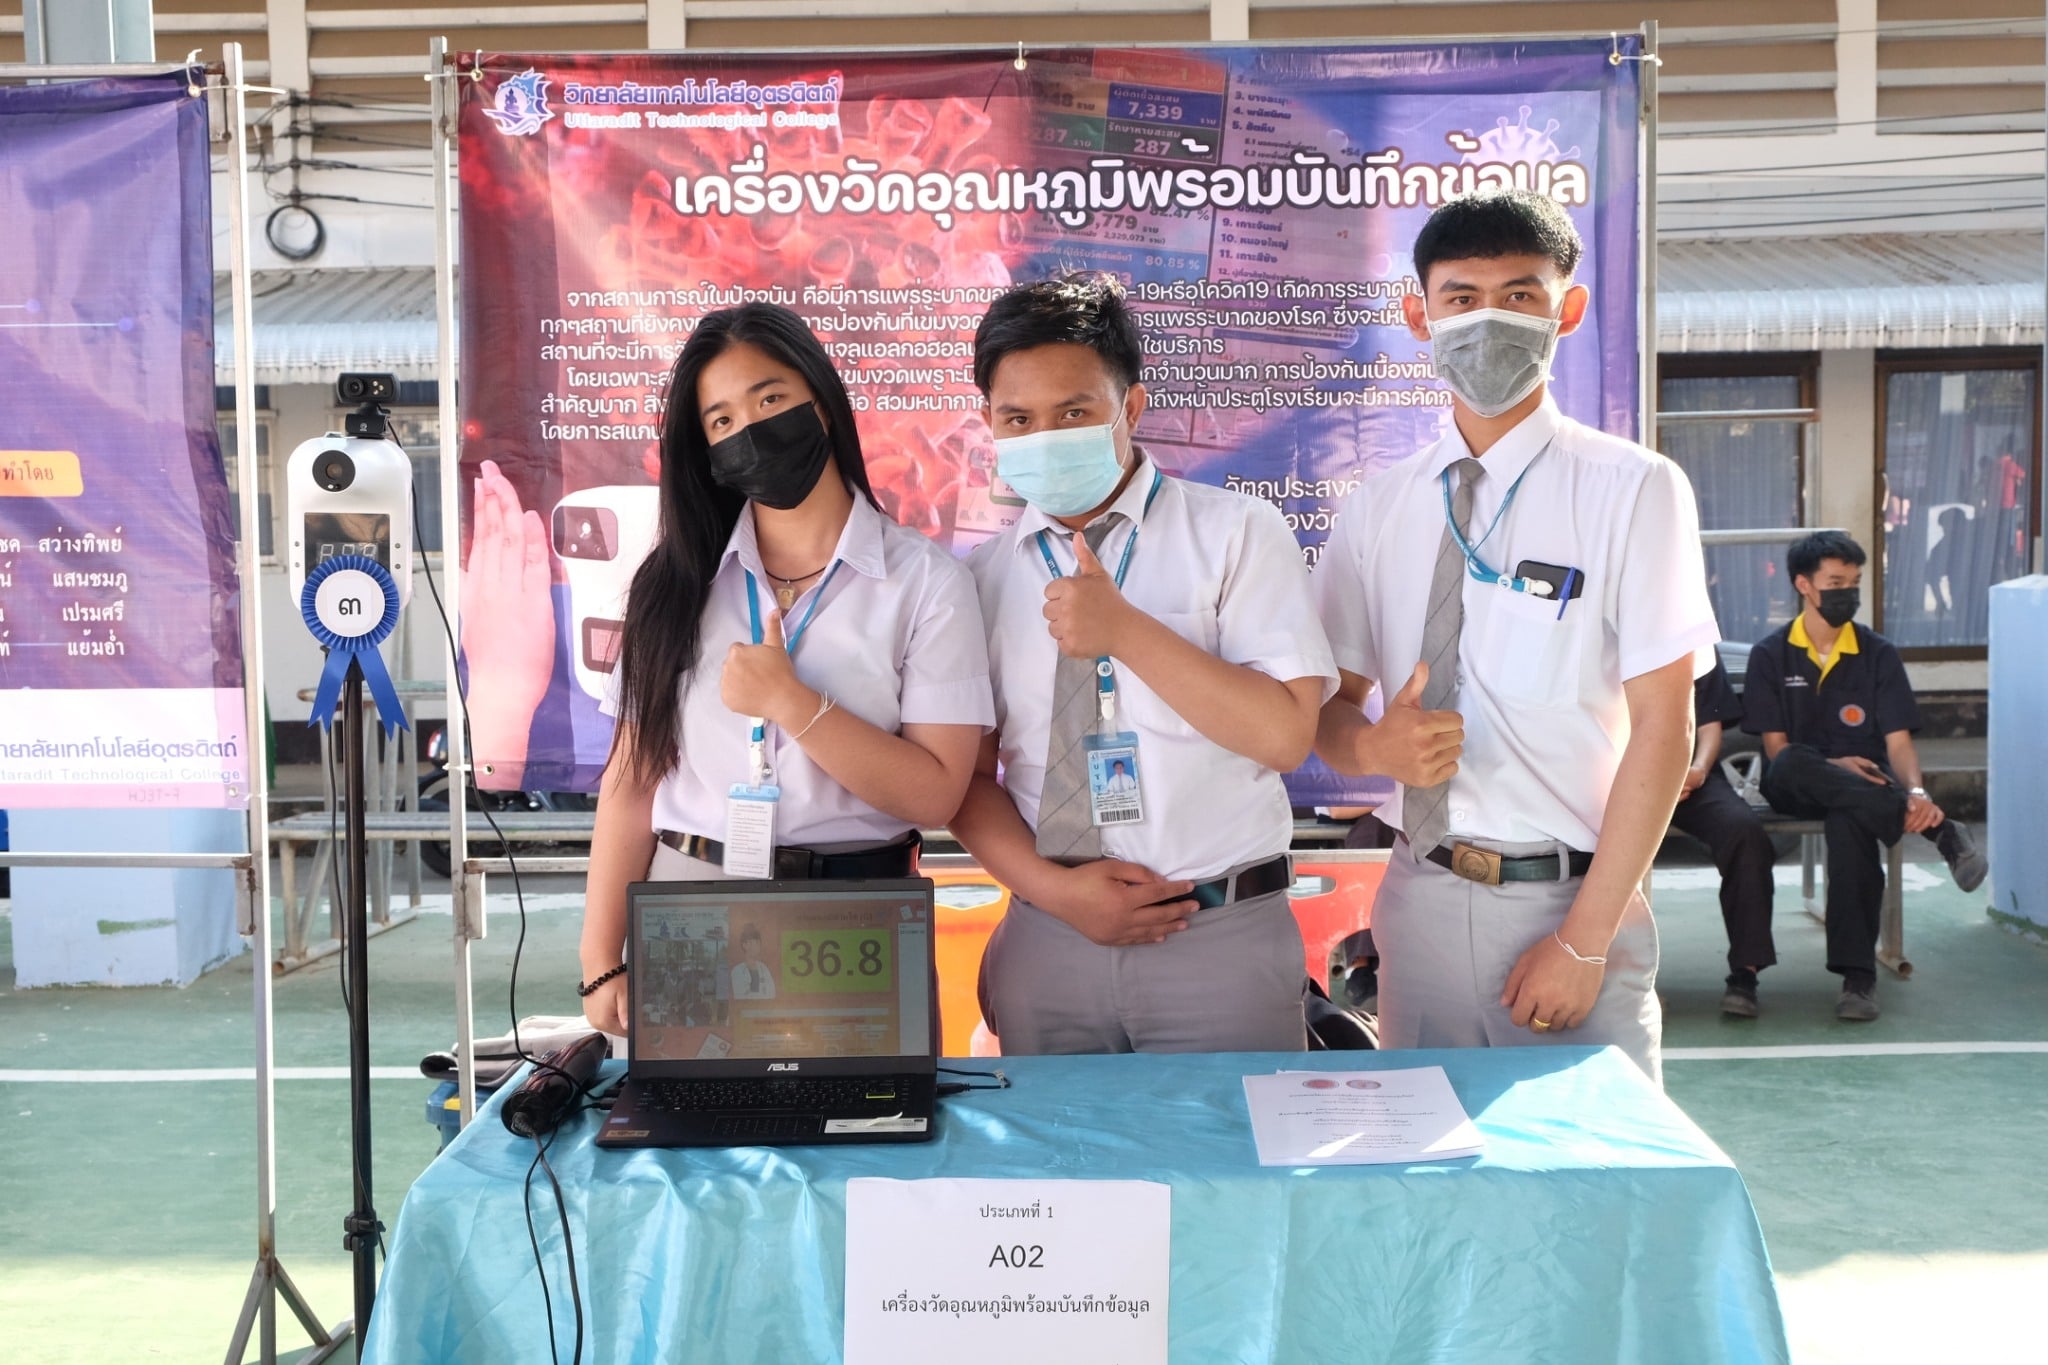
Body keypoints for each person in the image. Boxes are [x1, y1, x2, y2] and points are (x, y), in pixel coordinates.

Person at [1311, 190, 1717, 1083]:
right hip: (1417, 895)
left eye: (1520, 294)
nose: (1489, 318)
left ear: (1566, 310)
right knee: (1430, 1188)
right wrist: (1375, 744)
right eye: (1462, 298)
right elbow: (1325, 712)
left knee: (1589, 1198)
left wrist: (1583, 941)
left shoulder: (1634, 490)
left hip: (1570, 900)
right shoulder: (1377, 507)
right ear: (1419, 315)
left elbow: (1665, 726)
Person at [578, 302, 995, 1034]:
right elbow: (631, 780)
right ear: (706, 452)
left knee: (867, 1136)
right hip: (690, 904)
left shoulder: (926, 582)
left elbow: (935, 792)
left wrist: (793, 703)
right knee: (696, 1135)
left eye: (770, 399)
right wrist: (600, 957)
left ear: (822, 404)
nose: (751, 430)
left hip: (857, 909)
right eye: (721, 421)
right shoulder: (675, 585)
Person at [949, 273, 1338, 1054]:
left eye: (1074, 412)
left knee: (1228, 1175)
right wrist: (1057, 893)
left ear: (1129, 408)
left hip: (1217, 936)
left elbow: (1285, 735)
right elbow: (962, 779)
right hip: (1050, 935)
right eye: (1018, 419)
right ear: (989, 422)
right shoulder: (977, 579)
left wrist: (1125, 631)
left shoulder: (1235, 534)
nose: (1044, 436)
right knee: (1056, 1174)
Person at [1742, 530, 1986, 1022]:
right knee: (1793, 762)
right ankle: (1943, 831)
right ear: (1804, 585)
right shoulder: (1770, 654)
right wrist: (1837, 766)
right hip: (1797, 780)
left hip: (1865, 788)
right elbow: (1775, 749)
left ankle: (1858, 979)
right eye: (1835, 581)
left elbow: (1897, 743)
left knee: (1851, 827)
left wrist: (1916, 791)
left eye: (1854, 582)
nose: (1847, 593)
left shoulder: (1877, 653)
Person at [1668, 655, 1778, 1018]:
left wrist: (1698, 769)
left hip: (1689, 778)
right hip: (1612, 777)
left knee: (1744, 832)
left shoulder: (1694, 638)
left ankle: (1745, 975)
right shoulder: (1601, 634)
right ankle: (1612, 976)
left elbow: (1710, 724)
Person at [730, 924, 777, 1001]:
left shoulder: (764, 968)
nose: (758, 946)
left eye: (759, 943)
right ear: (744, 945)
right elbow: (740, 996)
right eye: (754, 943)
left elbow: (772, 993)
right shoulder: (737, 971)